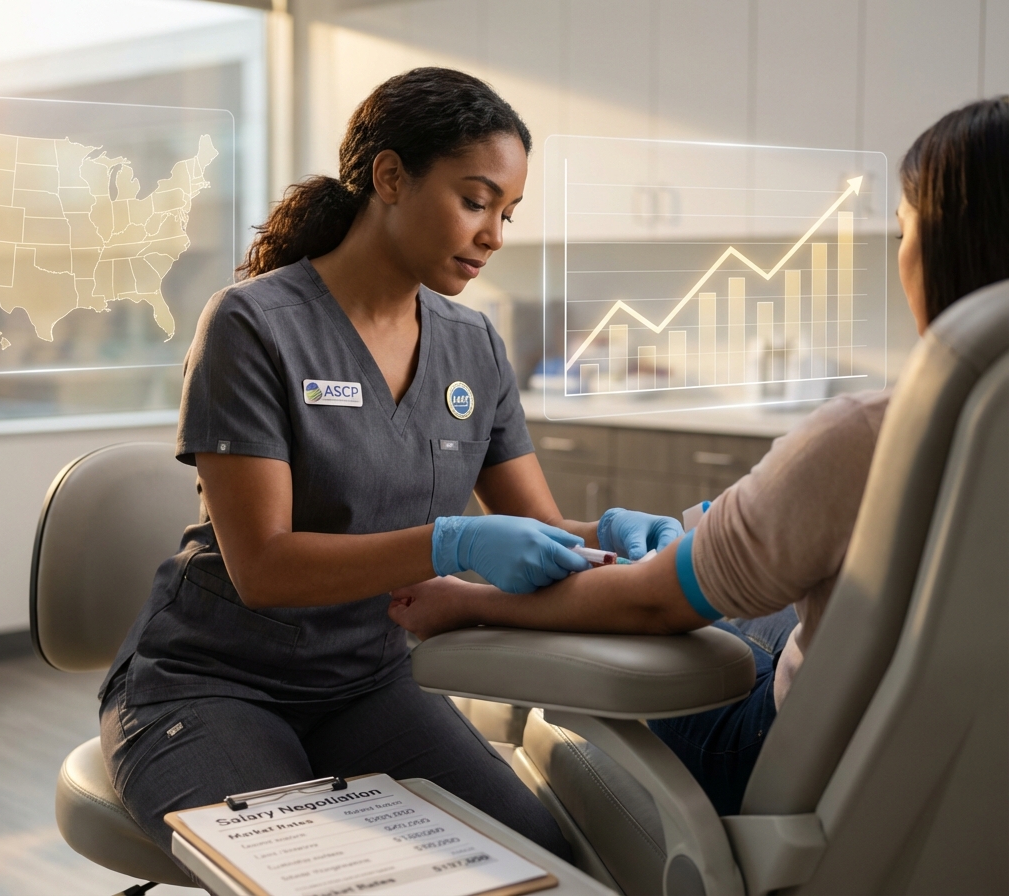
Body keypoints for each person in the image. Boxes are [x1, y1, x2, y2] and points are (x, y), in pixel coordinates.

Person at [389, 96, 1009, 817]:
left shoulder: (873, 437)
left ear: (944, 247)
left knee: (587, 703)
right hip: (960, 782)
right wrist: (709, 531)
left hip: (788, 764)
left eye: (905, 229)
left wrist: (473, 606)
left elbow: (655, 602)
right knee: (751, 619)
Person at [99, 68, 608, 862]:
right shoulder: (256, 325)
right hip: (214, 685)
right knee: (318, 874)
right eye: (475, 202)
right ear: (391, 178)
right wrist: (453, 543)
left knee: (545, 860)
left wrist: (621, 539)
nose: (495, 235)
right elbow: (263, 568)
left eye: (507, 213)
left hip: (367, 683)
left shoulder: (472, 346)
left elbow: (542, 532)